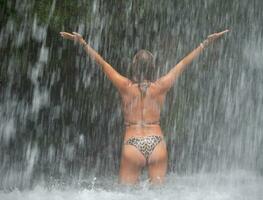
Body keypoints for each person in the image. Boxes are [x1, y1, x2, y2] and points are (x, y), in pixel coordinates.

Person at [60, 29, 229, 185]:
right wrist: (205, 44)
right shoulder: (161, 86)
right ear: (152, 67)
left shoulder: (125, 87)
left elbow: (103, 64)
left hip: (133, 143)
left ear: (134, 66)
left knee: (125, 194)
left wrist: (82, 43)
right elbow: (183, 64)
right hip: (157, 143)